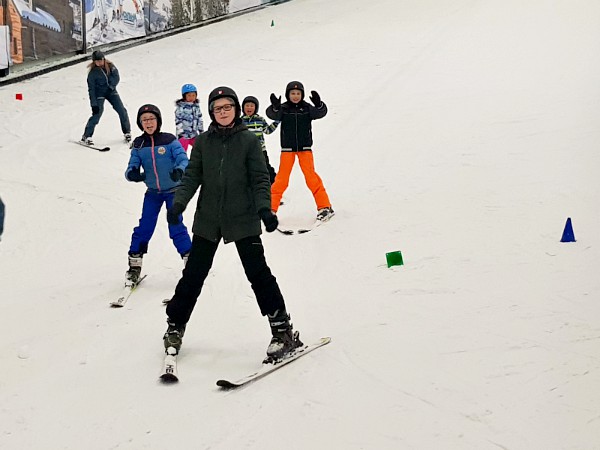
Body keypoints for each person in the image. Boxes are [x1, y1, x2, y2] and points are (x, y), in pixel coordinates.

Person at [163, 86, 303, 361]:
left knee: (258, 274)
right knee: (193, 275)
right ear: (212, 112)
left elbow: (260, 179)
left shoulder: (249, 141)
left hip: (243, 218)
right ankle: (175, 326)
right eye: (218, 108)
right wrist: (179, 203)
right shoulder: (203, 142)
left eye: (228, 107)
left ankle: (282, 330)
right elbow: (192, 176)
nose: (223, 112)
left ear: (236, 109)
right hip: (209, 219)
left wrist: (265, 209)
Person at [124, 104, 192, 282]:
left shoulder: (169, 140)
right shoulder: (139, 145)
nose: (148, 123)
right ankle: (134, 264)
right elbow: (132, 165)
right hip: (153, 193)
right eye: (144, 120)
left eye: (151, 119)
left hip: (173, 191)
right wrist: (132, 173)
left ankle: (190, 261)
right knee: (145, 226)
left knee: (176, 224)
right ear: (140, 123)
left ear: (158, 121)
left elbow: (183, 159)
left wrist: (179, 170)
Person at [266, 81, 334, 222]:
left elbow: (321, 113)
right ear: (288, 95)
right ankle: (271, 209)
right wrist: (275, 107)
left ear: (302, 95)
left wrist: (319, 104)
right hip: (287, 149)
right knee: (281, 180)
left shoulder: (307, 108)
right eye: (292, 93)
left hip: (305, 148)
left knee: (311, 178)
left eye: (298, 93)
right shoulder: (284, 109)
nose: (295, 96)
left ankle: (324, 207)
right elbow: (272, 114)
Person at [81, 50, 131, 146]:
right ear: (94, 62)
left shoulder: (111, 67)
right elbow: (91, 89)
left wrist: (111, 86)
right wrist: (94, 104)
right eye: (97, 61)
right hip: (99, 94)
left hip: (111, 91)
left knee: (121, 110)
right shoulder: (92, 73)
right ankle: (86, 136)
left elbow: (116, 77)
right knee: (97, 114)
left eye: (101, 60)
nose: (99, 63)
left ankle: (127, 132)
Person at [241, 96, 279, 184]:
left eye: (251, 106)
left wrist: (277, 121)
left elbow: (268, 131)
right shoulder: (240, 121)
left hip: (260, 150)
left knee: (265, 167)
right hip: (245, 151)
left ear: (255, 108)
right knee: (246, 169)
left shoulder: (260, 120)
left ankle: (273, 184)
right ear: (243, 108)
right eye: (247, 105)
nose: (249, 108)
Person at [175, 83, 204, 152]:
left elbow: (199, 119)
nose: (191, 97)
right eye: (189, 95)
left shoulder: (196, 107)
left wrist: (201, 131)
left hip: (194, 134)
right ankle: (182, 161)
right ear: (184, 96)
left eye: (193, 95)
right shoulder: (181, 108)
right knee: (182, 150)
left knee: (199, 148)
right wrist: (180, 132)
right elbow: (178, 120)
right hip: (184, 134)